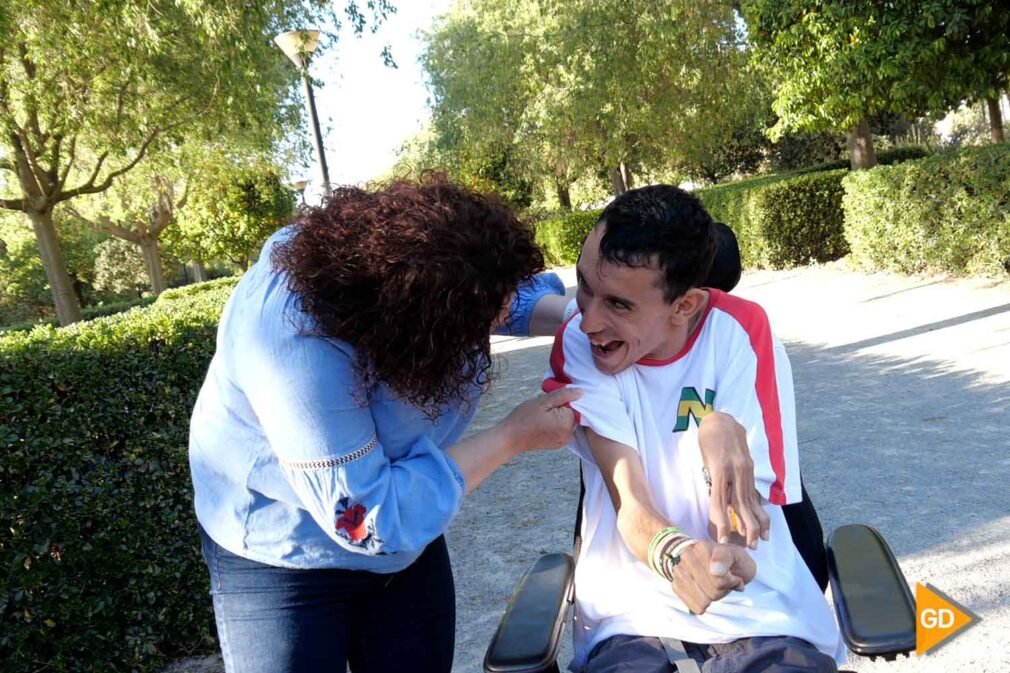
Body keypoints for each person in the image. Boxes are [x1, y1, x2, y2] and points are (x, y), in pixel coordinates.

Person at [188, 175, 582, 673]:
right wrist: (512, 436)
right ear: (417, 322)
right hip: (281, 548)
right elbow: (372, 514)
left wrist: (574, 314)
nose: (495, 319)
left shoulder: (412, 276)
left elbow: (489, 292)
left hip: (402, 542)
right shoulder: (296, 348)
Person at [542, 185, 845, 672]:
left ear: (684, 306)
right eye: (584, 287)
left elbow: (746, 510)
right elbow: (630, 500)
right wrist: (676, 555)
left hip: (759, 609)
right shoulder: (580, 345)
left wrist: (728, 557)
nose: (589, 320)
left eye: (619, 305)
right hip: (629, 617)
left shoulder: (742, 333)